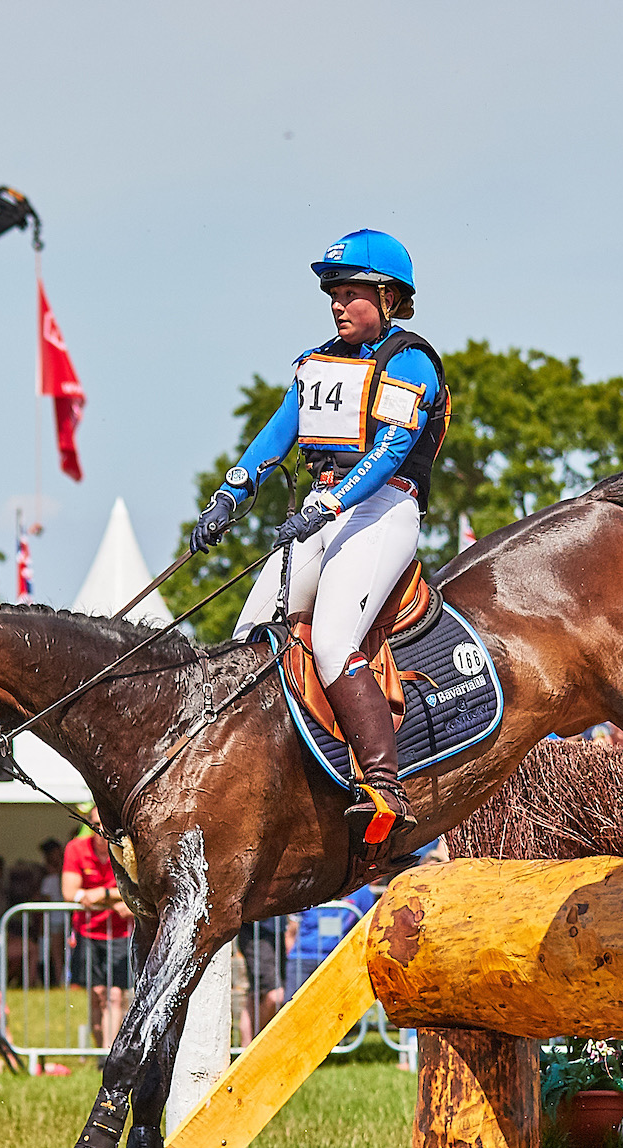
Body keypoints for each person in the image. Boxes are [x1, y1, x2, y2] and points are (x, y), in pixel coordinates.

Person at [196, 229, 446, 843]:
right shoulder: (317, 363)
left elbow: (391, 449)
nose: (337, 304)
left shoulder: (409, 360)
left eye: (350, 292)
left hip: (382, 508)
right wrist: (231, 493)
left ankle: (385, 785)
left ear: (388, 297)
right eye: (333, 293)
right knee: (248, 639)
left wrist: (334, 502)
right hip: (322, 506)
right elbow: (277, 434)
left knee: (333, 641)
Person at [61, 829, 133, 1048]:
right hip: (87, 932)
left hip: (119, 933)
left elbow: (136, 889)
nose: (100, 831)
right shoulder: (76, 848)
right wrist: (116, 899)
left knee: (114, 996)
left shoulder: (126, 847)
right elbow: (70, 892)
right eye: (94, 824)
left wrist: (102, 894)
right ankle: (101, 1054)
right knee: (97, 995)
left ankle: (109, 1054)